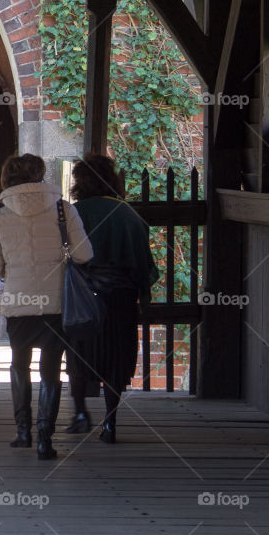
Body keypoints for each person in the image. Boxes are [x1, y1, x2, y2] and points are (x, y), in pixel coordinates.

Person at [0, 153, 93, 459]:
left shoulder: (0, 217)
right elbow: (83, 254)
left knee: (19, 364)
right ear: (41, 174)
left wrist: (13, 270)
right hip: (56, 303)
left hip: (20, 301)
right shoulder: (63, 210)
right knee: (51, 371)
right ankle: (45, 439)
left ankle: (22, 432)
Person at [65, 153, 159, 444]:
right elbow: (144, 266)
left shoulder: (73, 213)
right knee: (117, 358)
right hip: (120, 297)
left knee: (79, 355)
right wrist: (143, 297)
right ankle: (110, 421)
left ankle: (80, 413)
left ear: (80, 183)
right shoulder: (129, 215)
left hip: (82, 297)